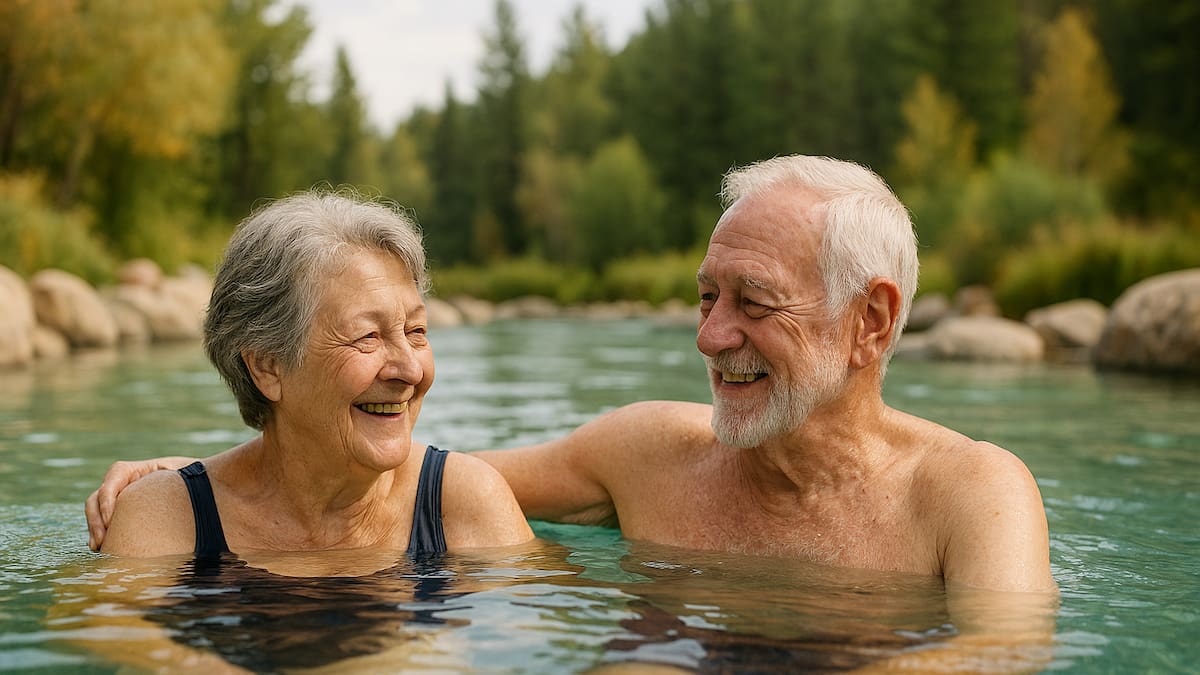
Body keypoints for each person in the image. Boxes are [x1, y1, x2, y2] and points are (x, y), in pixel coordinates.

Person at [88, 156, 1053, 594]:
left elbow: (997, 657)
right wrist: (225, 471)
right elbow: (413, 475)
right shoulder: (645, 452)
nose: (714, 336)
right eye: (705, 296)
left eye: (752, 302)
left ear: (871, 321)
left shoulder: (969, 492)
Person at [97, 191, 532, 559]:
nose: (411, 369)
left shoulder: (463, 502)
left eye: (416, 331)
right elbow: (118, 638)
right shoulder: (170, 519)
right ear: (267, 365)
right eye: (367, 336)